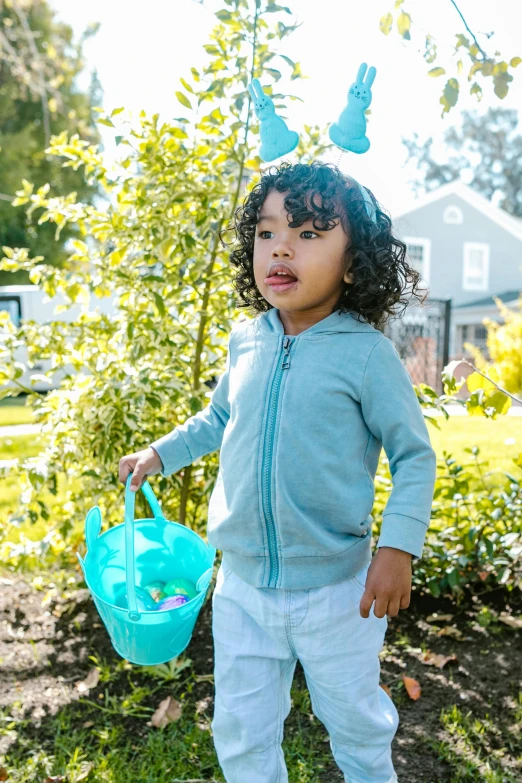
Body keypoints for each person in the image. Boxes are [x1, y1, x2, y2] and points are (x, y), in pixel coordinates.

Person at [119, 161, 437, 783]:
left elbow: (413, 454)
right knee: (240, 726)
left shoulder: (366, 354)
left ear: (354, 262)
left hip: (338, 590)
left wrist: (398, 546)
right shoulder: (248, 340)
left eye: (310, 233)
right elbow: (217, 418)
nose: (282, 246)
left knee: (354, 719)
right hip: (241, 586)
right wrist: (161, 453)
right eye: (267, 232)